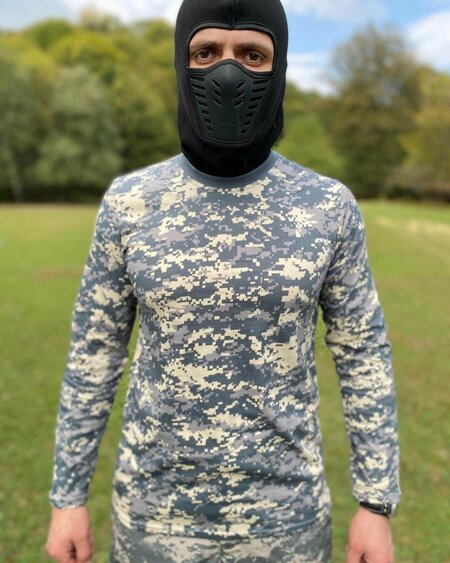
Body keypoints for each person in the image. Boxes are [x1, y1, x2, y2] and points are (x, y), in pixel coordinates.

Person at [45, 0, 401, 561]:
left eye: (252, 54)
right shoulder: (131, 203)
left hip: (287, 523)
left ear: (279, 66)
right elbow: (95, 352)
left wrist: (375, 504)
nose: (227, 73)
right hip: (153, 521)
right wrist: (67, 497)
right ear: (181, 62)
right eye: (206, 52)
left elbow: (363, 352)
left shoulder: (327, 207)